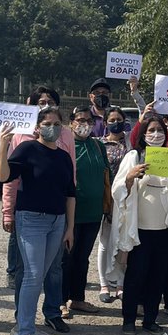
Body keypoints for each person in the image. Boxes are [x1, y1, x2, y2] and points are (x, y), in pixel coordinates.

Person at [0, 106, 76, 335]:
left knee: (40, 274)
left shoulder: (64, 156)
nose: (52, 128)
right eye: (47, 123)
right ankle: (23, 334)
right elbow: (4, 176)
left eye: (57, 124)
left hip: (57, 222)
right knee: (32, 275)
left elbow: (70, 194)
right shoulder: (27, 149)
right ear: (37, 127)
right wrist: (3, 145)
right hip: (31, 220)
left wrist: (70, 228)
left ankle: (27, 325)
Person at [108, 115, 168, 335]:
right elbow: (118, 189)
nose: (156, 134)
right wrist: (130, 177)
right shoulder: (134, 156)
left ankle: (150, 320)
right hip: (140, 231)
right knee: (136, 276)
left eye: (160, 130)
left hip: (164, 229)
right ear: (143, 134)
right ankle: (128, 320)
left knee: (158, 276)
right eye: (151, 130)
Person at [61, 106, 108, 317]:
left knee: (82, 258)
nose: (85, 124)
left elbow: (107, 175)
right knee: (66, 259)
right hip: (70, 213)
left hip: (93, 213)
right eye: (80, 120)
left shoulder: (98, 146)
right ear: (71, 122)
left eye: (89, 121)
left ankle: (77, 299)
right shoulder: (65, 145)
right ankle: (60, 301)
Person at [96, 107, 131, 303]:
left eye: (119, 119)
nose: (115, 123)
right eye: (112, 120)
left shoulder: (130, 143)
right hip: (107, 199)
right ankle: (104, 284)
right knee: (105, 241)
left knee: (124, 243)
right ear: (105, 122)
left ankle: (120, 284)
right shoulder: (99, 144)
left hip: (127, 198)